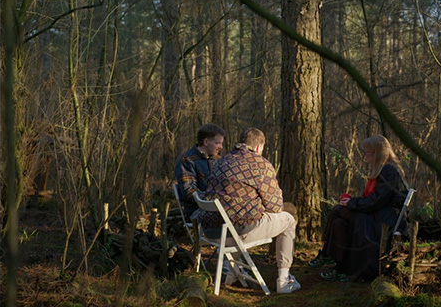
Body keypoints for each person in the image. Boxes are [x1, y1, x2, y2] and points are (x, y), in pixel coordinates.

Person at [195, 128, 301, 294]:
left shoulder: (221, 162)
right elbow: (274, 206)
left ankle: (232, 273)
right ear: (259, 147)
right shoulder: (261, 164)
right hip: (238, 233)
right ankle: (283, 279)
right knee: (288, 220)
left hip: (213, 232)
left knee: (234, 216)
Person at [309, 135, 409, 281]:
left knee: (338, 210)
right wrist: (352, 202)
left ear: (377, 153)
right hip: (378, 214)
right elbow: (375, 199)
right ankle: (340, 267)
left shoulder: (389, 170)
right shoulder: (384, 168)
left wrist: (351, 203)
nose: (364, 155)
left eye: (367, 152)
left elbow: (378, 200)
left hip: (385, 218)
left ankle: (326, 255)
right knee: (339, 223)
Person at [175, 123, 226, 220]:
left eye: (221, 143)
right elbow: (189, 192)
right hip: (197, 211)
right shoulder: (187, 160)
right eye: (217, 143)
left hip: (219, 208)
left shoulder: (219, 160)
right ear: (206, 142)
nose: (221, 147)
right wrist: (214, 199)